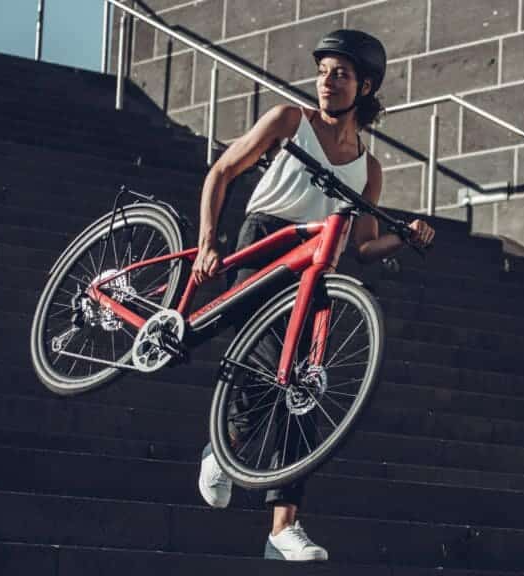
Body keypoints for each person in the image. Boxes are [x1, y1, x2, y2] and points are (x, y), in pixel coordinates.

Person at [193, 29, 436, 562]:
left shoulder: (368, 169)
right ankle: (224, 446)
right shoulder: (288, 121)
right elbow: (222, 170)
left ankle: (283, 528)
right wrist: (208, 240)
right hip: (264, 243)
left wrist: (407, 234)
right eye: (324, 71)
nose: (327, 82)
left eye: (341, 74)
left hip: (315, 263)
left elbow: (366, 247)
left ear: (365, 87)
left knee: (302, 388)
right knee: (260, 367)